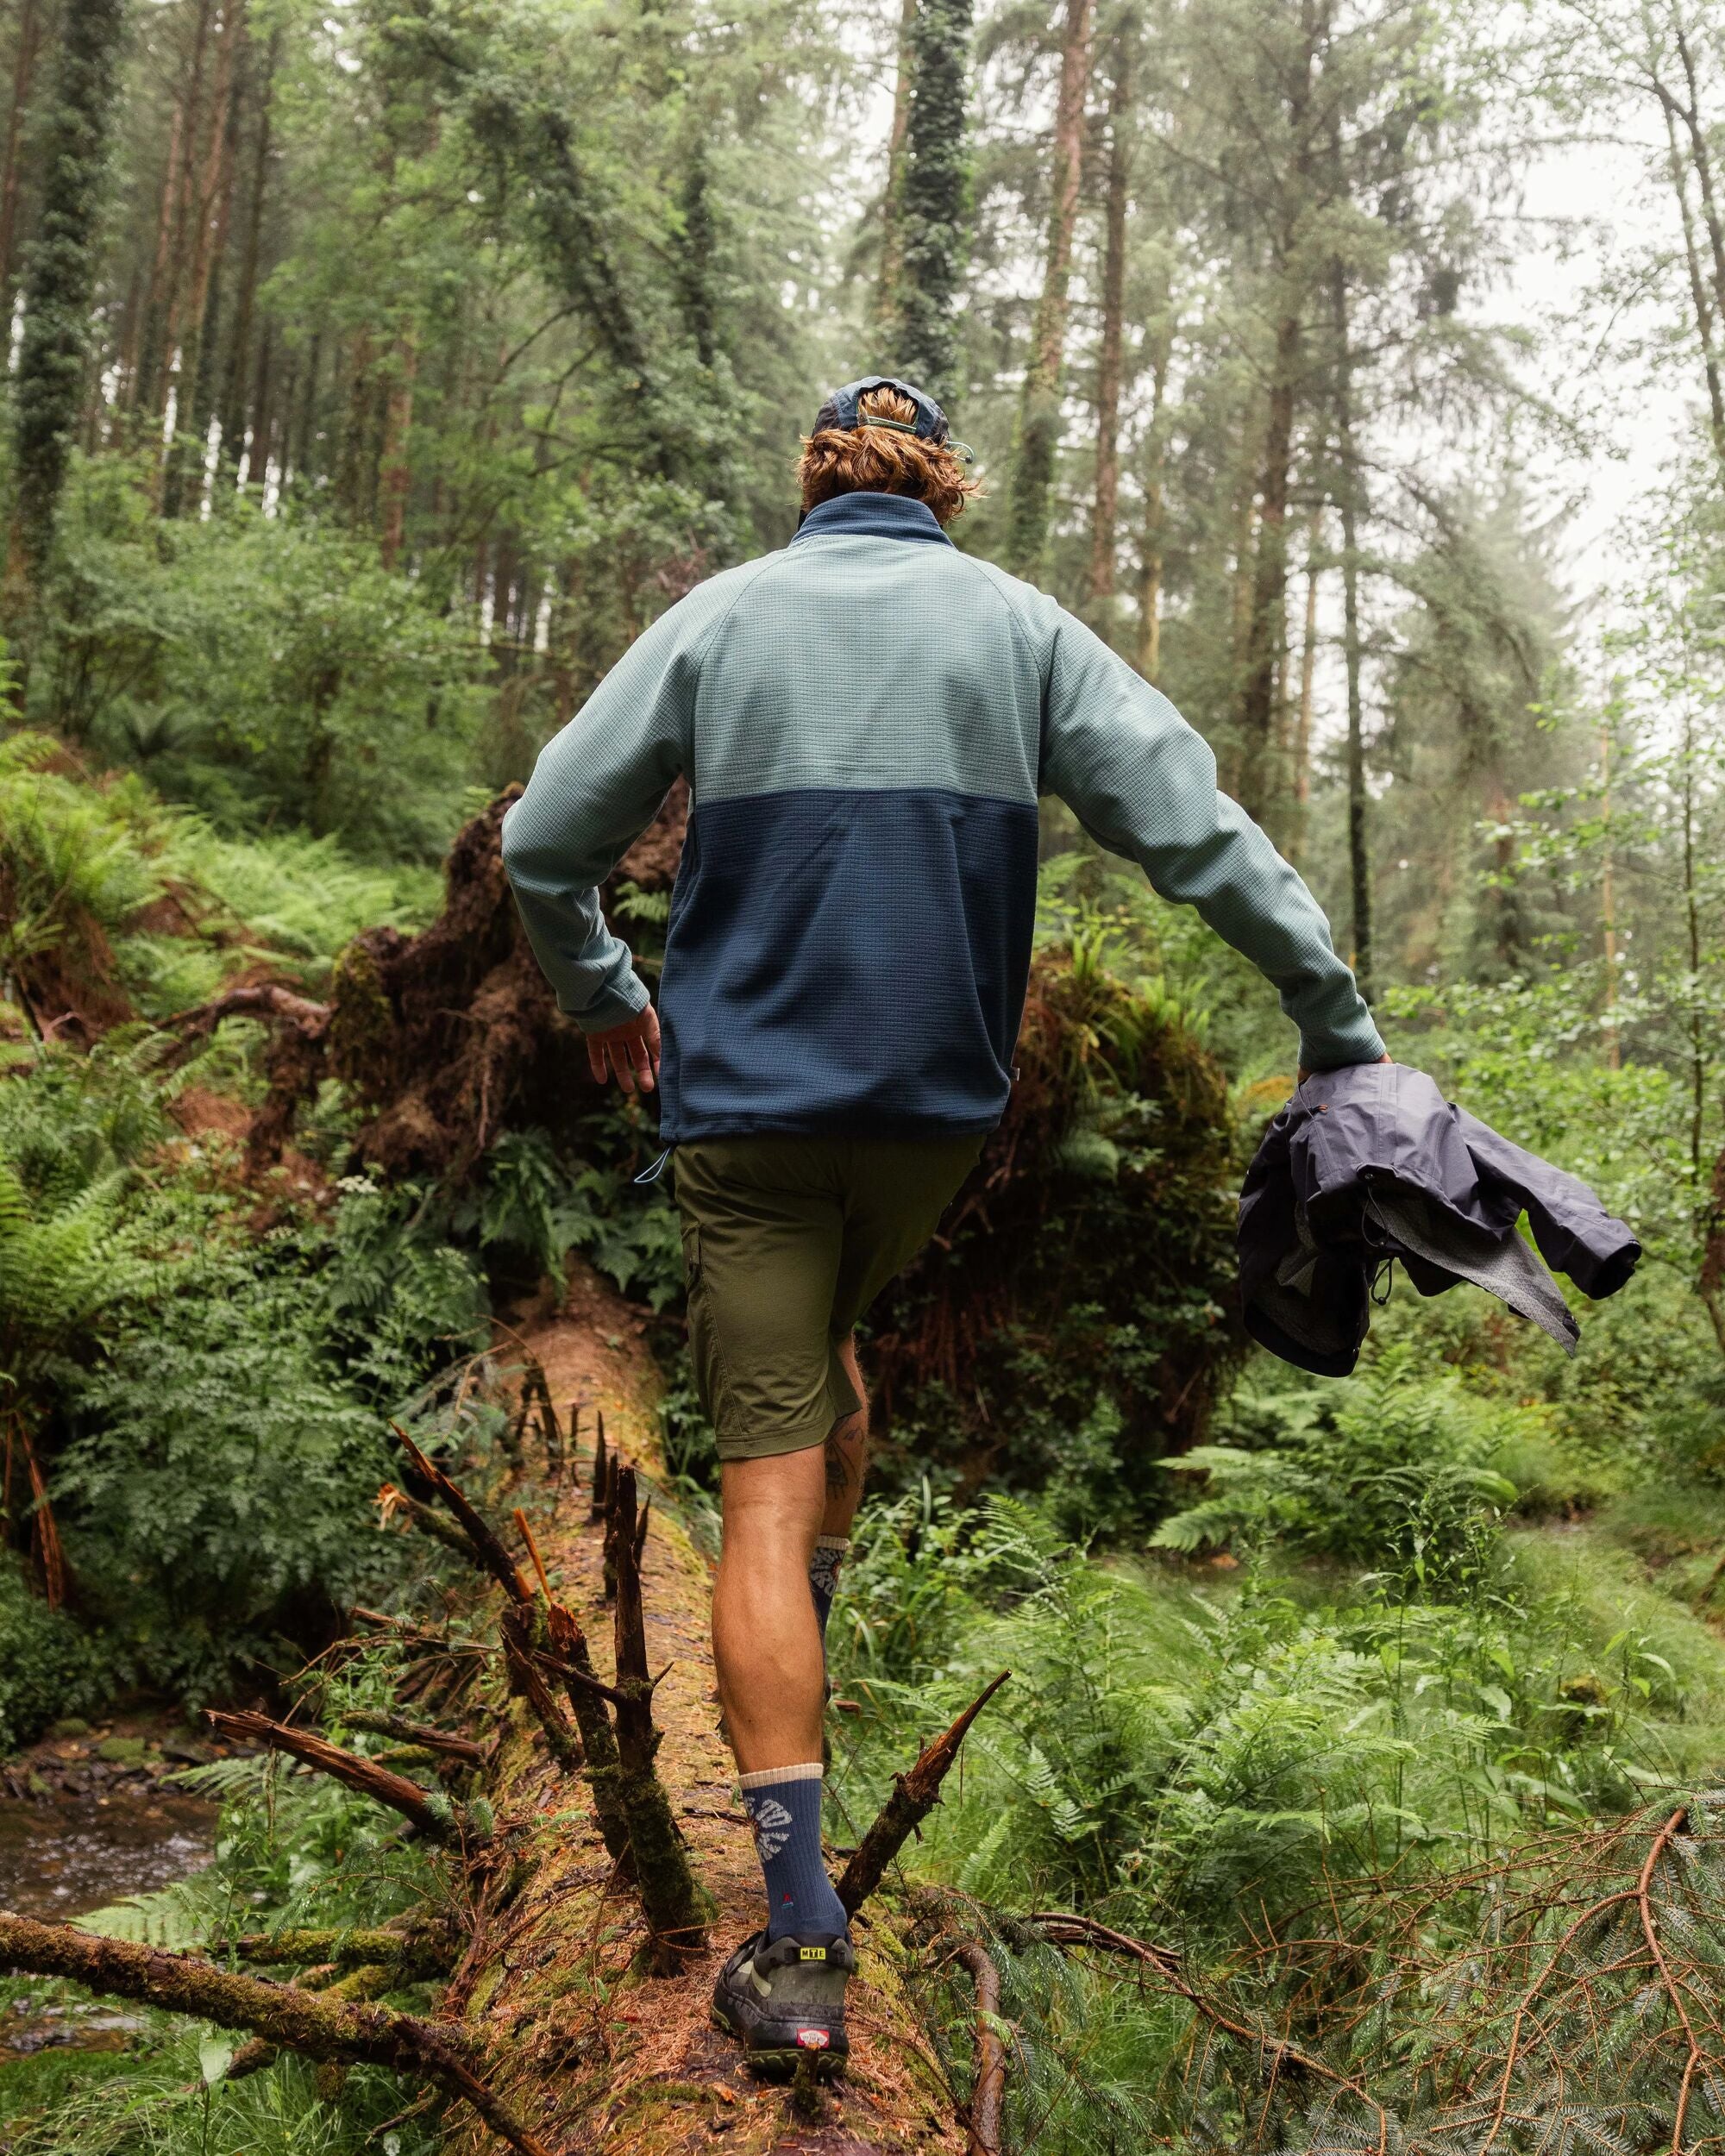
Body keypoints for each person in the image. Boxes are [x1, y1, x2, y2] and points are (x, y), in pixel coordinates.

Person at [500, 373, 1387, 2071]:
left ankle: (796, 1945)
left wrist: (605, 992)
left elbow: (545, 840)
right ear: (942, 493)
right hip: (932, 1125)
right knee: (830, 1367)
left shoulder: (722, 617)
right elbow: (1197, 834)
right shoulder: (1022, 630)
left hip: (751, 1118)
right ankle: (801, 1646)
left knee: (758, 1499)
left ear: (813, 484)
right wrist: (1334, 1021)